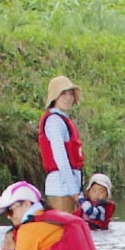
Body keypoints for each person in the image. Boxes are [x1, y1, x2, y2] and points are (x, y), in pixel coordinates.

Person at [0, 181, 102, 250]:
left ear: (26, 204)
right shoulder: (61, 218)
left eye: (10, 210)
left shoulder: (28, 230)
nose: (9, 217)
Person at [38, 75, 84, 211]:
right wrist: (73, 190)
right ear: (55, 97)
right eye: (63, 94)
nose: (68, 98)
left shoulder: (62, 120)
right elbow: (60, 157)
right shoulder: (54, 122)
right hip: (61, 187)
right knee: (63, 230)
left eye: (71, 94)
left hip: (67, 186)